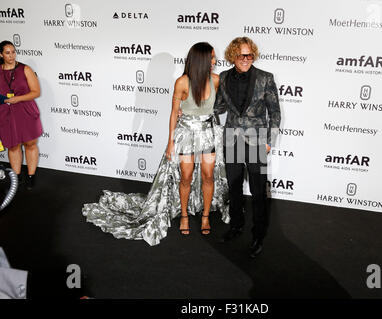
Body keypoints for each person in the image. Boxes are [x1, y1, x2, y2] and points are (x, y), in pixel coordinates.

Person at [82, 42, 229, 246]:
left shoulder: (216, 80)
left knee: (208, 175)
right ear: (200, 60)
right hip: (185, 134)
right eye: (211, 58)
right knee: (185, 176)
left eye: (215, 58)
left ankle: (205, 216)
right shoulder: (182, 82)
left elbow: (220, 106)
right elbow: (172, 113)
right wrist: (170, 142)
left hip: (207, 134)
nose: (215, 61)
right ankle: (185, 215)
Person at [214, 37, 281, 258]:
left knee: (258, 190)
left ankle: (258, 235)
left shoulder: (265, 78)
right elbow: (219, 107)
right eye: (241, 55)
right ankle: (236, 226)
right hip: (232, 137)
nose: (246, 59)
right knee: (233, 187)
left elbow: (275, 112)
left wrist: (270, 140)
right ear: (233, 55)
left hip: (257, 139)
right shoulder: (223, 78)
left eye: (249, 55)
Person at [0, 40, 43, 190]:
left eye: (13, 52)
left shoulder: (25, 69)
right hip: (6, 113)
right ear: (1, 54)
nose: (11, 55)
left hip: (26, 111)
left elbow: (36, 92)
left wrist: (17, 98)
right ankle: (16, 177)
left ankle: (31, 176)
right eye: (7, 52)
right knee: (12, 146)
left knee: (30, 144)